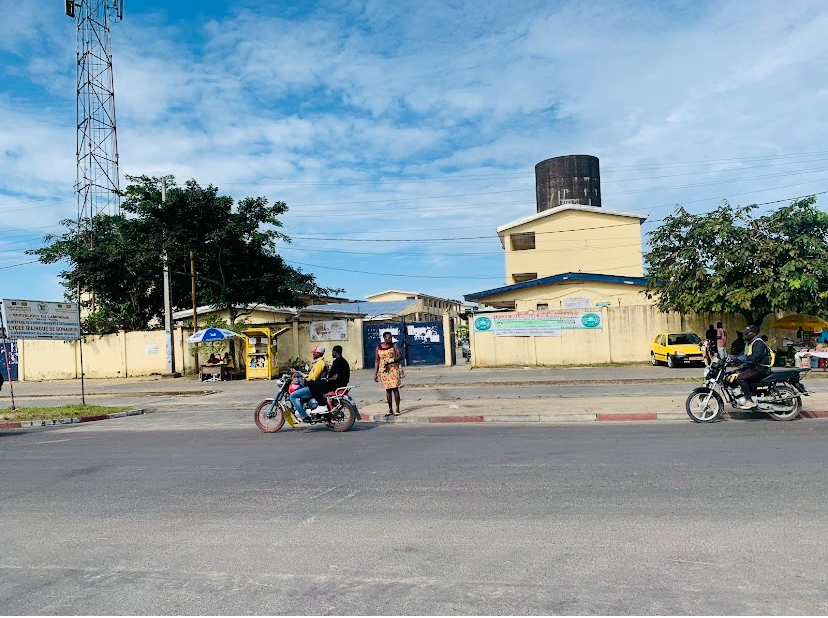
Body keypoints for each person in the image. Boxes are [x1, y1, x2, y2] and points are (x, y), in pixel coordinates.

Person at [727, 324, 772, 409]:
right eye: (745, 333)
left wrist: (740, 359)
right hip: (753, 367)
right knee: (732, 374)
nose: (745, 335)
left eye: (747, 333)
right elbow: (743, 355)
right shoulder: (749, 343)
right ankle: (742, 394)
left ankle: (749, 400)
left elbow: (754, 357)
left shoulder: (759, 343)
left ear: (754, 333)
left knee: (741, 378)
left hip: (761, 369)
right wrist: (732, 358)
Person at [289, 346, 327, 420]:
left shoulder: (320, 363)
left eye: (314, 353)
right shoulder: (317, 362)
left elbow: (313, 377)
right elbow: (310, 375)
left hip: (314, 387)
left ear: (319, 353)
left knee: (292, 396)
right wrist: (299, 373)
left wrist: (301, 374)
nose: (313, 354)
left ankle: (303, 415)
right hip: (313, 385)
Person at [374, 331, 403, 416]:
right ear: (384, 338)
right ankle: (390, 409)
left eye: (391, 337)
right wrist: (375, 374)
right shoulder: (378, 348)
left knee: (395, 389)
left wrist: (392, 360)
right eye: (388, 338)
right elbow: (377, 361)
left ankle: (397, 409)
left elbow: (400, 356)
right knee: (388, 390)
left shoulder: (394, 346)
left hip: (393, 369)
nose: (390, 339)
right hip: (384, 371)